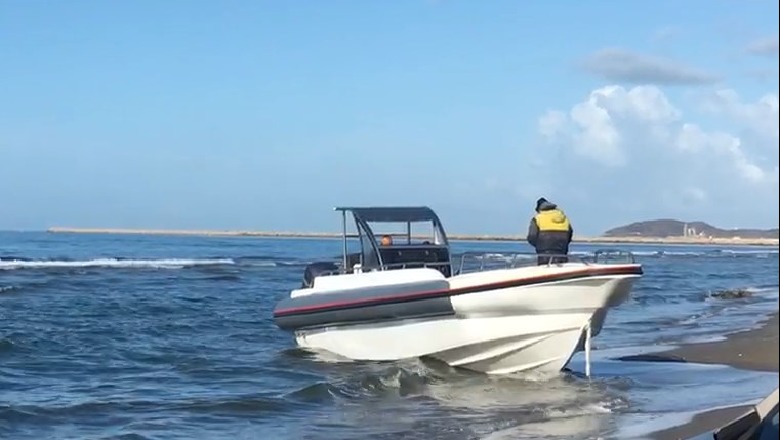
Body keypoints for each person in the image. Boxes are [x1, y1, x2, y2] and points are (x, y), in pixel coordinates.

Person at [526, 197, 573, 265]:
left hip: (544, 252)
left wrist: (539, 245)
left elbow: (532, 236)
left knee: (545, 271)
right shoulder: (564, 218)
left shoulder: (537, 218)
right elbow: (570, 234)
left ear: (539, 208)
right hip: (561, 251)